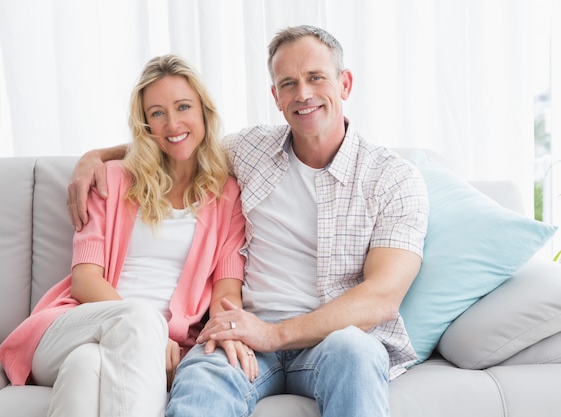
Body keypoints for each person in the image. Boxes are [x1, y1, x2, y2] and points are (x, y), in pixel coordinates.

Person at [68, 25, 429, 417]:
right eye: (288, 83)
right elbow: (180, 142)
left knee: (357, 352)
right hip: (246, 334)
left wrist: (274, 335)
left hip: (335, 340)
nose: (303, 94)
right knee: (204, 376)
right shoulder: (253, 150)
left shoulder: (393, 179)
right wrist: (96, 156)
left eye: (315, 77)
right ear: (275, 97)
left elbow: (382, 297)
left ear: (345, 83)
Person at [0, 54, 256, 417]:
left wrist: (227, 331)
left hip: (129, 349)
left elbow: (226, 291)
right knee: (139, 319)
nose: (172, 123)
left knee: (85, 369)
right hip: (72, 328)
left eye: (183, 107)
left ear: (203, 112)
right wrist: (153, 332)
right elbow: (85, 281)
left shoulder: (227, 194)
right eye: (157, 113)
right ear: (145, 123)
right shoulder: (113, 179)